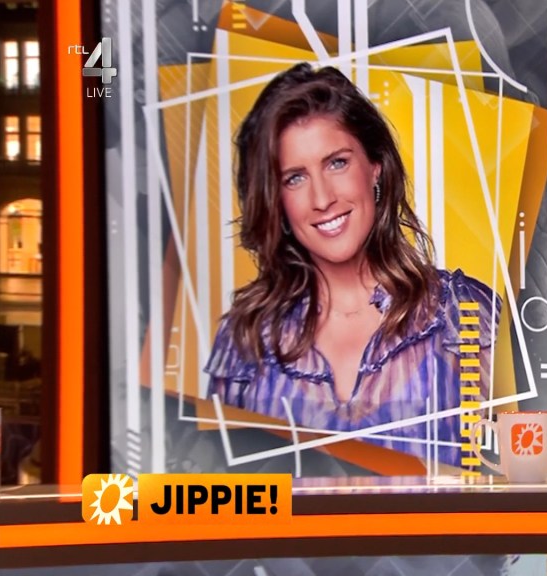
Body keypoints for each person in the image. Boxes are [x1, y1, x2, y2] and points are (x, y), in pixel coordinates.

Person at [205, 63, 501, 467]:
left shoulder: (464, 317)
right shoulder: (246, 341)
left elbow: (523, 476)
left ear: (375, 166)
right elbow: (218, 489)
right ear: (276, 200)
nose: (322, 198)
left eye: (337, 163)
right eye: (294, 178)